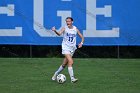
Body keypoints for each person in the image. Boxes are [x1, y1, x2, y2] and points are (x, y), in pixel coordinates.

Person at [51, 17, 84, 83]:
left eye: (69, 21)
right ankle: (72, 79)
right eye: (67, 21)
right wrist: (55, 30)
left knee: (64, 64)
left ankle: (56, 73)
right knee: (71, 61)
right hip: (65, 47)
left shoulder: (75, 29)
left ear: (72, 22)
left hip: (72, 48)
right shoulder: (64, 28)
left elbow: (82, 37)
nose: (67, 22)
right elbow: (59, 33)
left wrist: (81, 43)